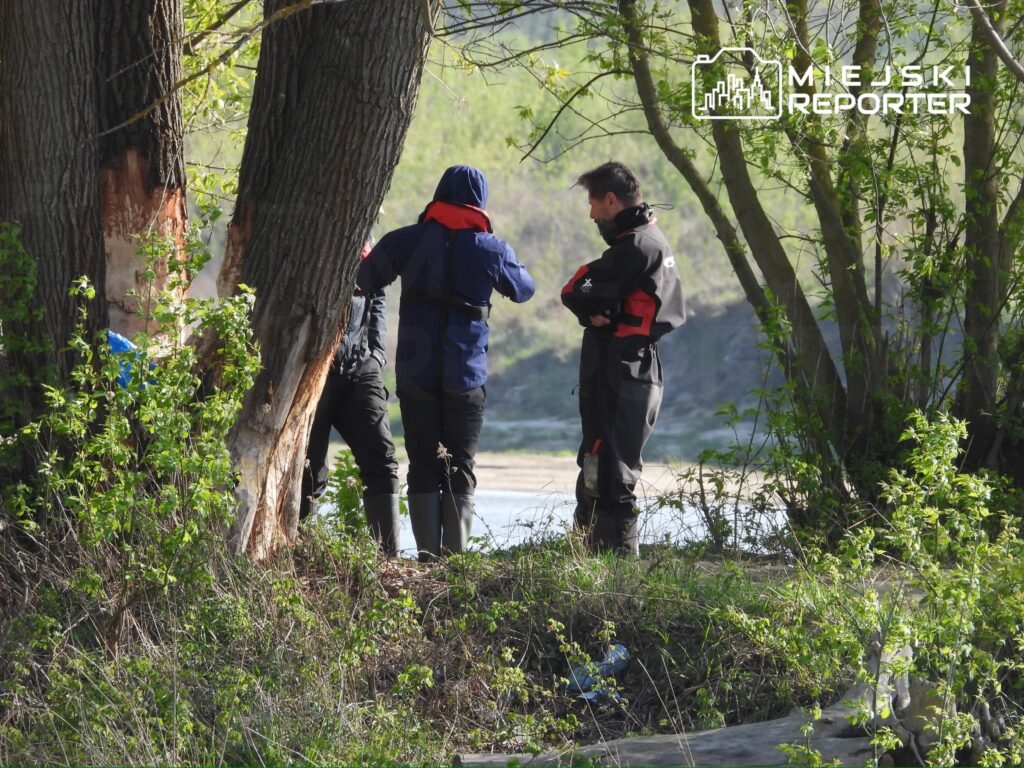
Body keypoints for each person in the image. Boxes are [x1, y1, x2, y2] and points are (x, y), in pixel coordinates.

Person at [357, 165, 535, 561]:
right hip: (466, 373)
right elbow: (524, 290)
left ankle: (426, 556)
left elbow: (364, 278)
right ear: (480, 203)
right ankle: (454, 562)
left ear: (438, 196)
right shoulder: (493, 249)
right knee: (461, 464)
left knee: (422, 463)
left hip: (415, 372)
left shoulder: (405, 240)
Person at [560, 161, 686, 556]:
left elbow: (574, 288)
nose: (592, 215)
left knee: (612, 475)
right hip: (636, 369)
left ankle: (614, 576)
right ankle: (592, 565)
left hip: (622, 371)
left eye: (594, 205)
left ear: (611, 200)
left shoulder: (636, 247)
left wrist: (592, 309)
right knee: (602, 464)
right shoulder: (654, 240)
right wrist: (597, 310)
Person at [301, 240, 401, 557]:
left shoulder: (366, 243)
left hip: (360, 369)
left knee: (382, 460)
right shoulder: (312, 239)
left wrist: (377, 355)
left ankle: (387, 557)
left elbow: (379, 294)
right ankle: (299, 548)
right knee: (309, 468)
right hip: (312, 373)